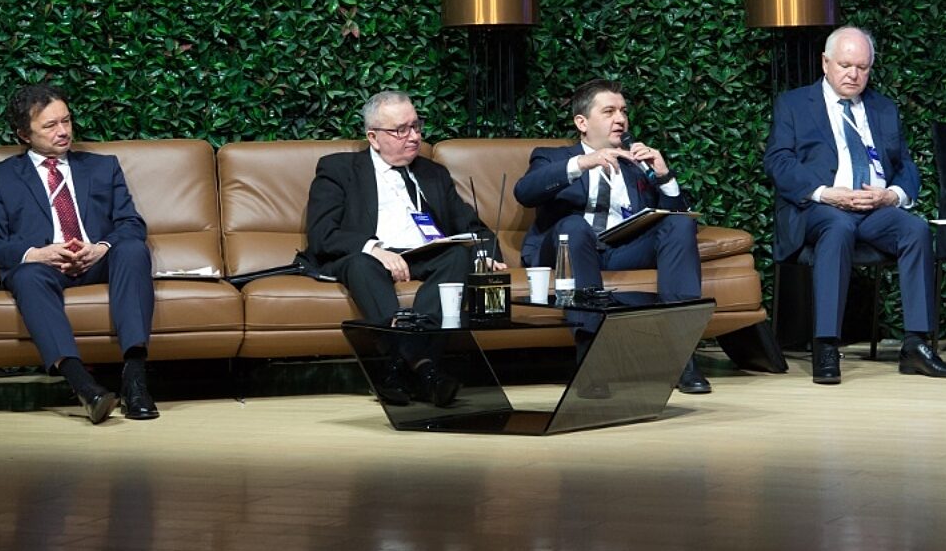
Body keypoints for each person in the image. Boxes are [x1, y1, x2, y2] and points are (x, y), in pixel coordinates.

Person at [764, 25, 946, 385]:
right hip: (818, 208)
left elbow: (905, 165)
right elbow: (778, 161)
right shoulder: (794, 104)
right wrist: (825, 193)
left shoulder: (882, 108)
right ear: (825, 63)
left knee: (915, 229)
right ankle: (826, 344)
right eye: (845, 65)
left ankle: (916, 345)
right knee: (837, 226)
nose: (854, 75)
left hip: (873, 209)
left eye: (862, 67)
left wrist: (892, 195)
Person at [0, 84, 158, 423]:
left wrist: (100, 248)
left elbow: (131, 223)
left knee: (132, 250)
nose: (63, 131)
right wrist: (35, 253)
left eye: (66, 121)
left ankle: (135, 381)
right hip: (45, 266)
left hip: (96, 260)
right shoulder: (0, 178)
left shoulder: (102, 167)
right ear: (24, 134)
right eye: (50, 125)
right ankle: (84, 387)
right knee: (26, 276)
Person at [303, 90, 501, 406]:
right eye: (400, 130)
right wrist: (374, 248)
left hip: (423, 254)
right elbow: (322, 233)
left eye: (416, 126)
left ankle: (397, 368)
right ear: (373, 137)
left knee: (457, 255)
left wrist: (486, 256)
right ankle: (425, 372)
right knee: (361, 264)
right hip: (367, 257)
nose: (414, 137)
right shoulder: (339, 169)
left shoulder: (432, 174)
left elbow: (472, 226)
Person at [513, 79, 711, 394]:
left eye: (623, 111)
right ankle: (591, 362)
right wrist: (583, 163)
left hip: (622, 250)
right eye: (609, 111)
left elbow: (678, 221)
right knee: (574, 226)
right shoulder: (552, 157)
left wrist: (664, 176)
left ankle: (682, 356)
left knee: (680, 224)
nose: (620, 119)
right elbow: (525, 192)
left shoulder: (636, 164)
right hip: (569, 248)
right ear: (582, 122)